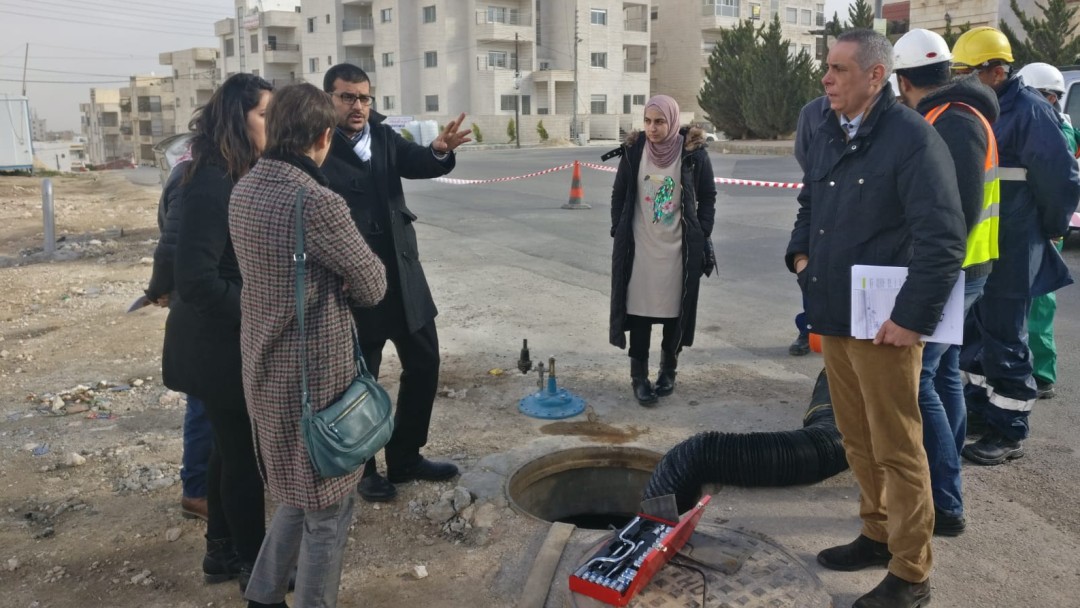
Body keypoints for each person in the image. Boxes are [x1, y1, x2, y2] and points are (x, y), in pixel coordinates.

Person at [786, 30, 966, 607]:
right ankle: (876, 532)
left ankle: (912, 573)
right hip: (836, 313)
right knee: (855, 438)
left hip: (887, 324)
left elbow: (943, 239)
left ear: (875, 75)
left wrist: (913, 319)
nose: (826, 78)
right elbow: (809, 202)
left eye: (839, 69)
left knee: (897, 446)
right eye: (826, 68)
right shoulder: (822, 125)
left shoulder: (911, 137)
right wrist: (800, 252)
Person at [230, 82, 387, 608]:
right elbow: (372, 285)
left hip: (265, 370)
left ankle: (264, 594)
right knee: (328, 511)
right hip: (315, 381)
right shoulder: (317, 201)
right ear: (323, 137)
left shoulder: (245, 188)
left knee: (297, 494)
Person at [320, 63, 472, 503]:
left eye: (364, 97)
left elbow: (419, 163)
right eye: (348, 96)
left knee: (424, 363)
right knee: (358, 380)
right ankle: (363, 467)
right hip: (354, 283)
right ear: (329, 98)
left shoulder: (384, 136)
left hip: (403, 275)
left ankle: (405, 457)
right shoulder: (319, 146)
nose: (358, 105)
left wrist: (440, 150)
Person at [951, 28, 1080, 466]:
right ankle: (983, 412)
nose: (960, 80)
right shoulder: (979, 108)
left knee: (1006, 335)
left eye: (967, 72)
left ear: (996, 71)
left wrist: (1048, 229)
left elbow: (1061, 181)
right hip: (983, 244)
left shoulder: (1028, 112)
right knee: (975, 331)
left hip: (1015, 241)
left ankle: (1009, 431)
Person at [163, 73, 273, 588]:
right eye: (263, 116)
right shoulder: (212, 178)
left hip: (226, 338)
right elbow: (197, 279)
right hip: (216, 343)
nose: (270, 126)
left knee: (228, 451)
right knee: (244, 458)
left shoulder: (235, 170)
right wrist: (261, 309)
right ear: (237, 117)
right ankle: (257, 565)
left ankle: (221, 554)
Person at [893, 28, 1001, 538]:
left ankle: (946, 501)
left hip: (953, 270)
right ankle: (948, 487)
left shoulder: (953, 122)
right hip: (965, 267)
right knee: (944, 373)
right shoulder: (957, 113)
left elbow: (951, 214)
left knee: (921, 379)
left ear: (901, 80)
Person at [608, 94, 716, 406]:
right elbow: (619, 193)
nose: (652, 128)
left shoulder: (694, 153)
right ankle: (638, 376)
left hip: (678, 251)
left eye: (659, 122)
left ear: (672, 122)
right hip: (641, 249)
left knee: (674, 315)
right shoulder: (634, 150)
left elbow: (708, 195)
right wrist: (619, 229)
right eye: (647, 121)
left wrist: (701, 231)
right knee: (639, 315)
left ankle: (668, 370)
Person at [144, 151, 212, 523]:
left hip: (202, 301)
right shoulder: (195, 175)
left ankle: (208, 484)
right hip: (201, 308)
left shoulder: (199, 170)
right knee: (204, 404)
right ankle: (197, 491)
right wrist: (160, 288)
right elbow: (170, 245)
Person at [1015, 62, 1080, 401]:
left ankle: (1039, 374)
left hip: (1036, 226)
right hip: (1044, 225)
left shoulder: (1047, 125)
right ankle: (1040, 371)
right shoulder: (1061, 125)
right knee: (1038, 301)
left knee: (1036, 303)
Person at [790, 94, 832, 356]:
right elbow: (803, 153)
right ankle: (809, 329)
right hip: (820, 201)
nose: (831, 78)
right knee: (813, 273)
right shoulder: (813, 112)